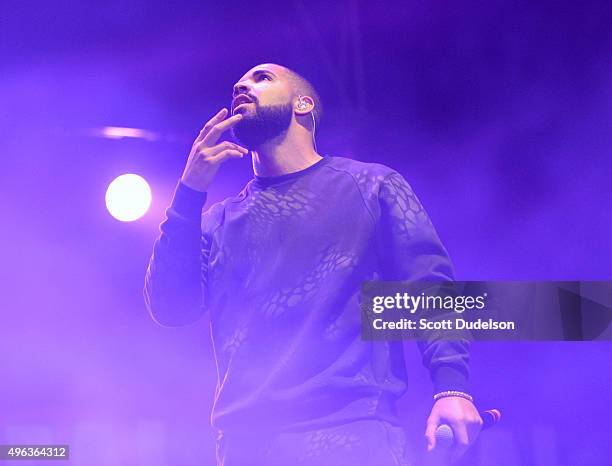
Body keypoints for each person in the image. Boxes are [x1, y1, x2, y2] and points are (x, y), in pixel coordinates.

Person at [144, 63, 482, 465]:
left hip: (349, 431)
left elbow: (430, 288)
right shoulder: (216, 221)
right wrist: (188, 192)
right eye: (239, 82)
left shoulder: (370, 186)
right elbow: (170, 307)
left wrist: (452, 387)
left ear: (303, 104)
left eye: (262, 78)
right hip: (245, 443)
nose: (241, 84)